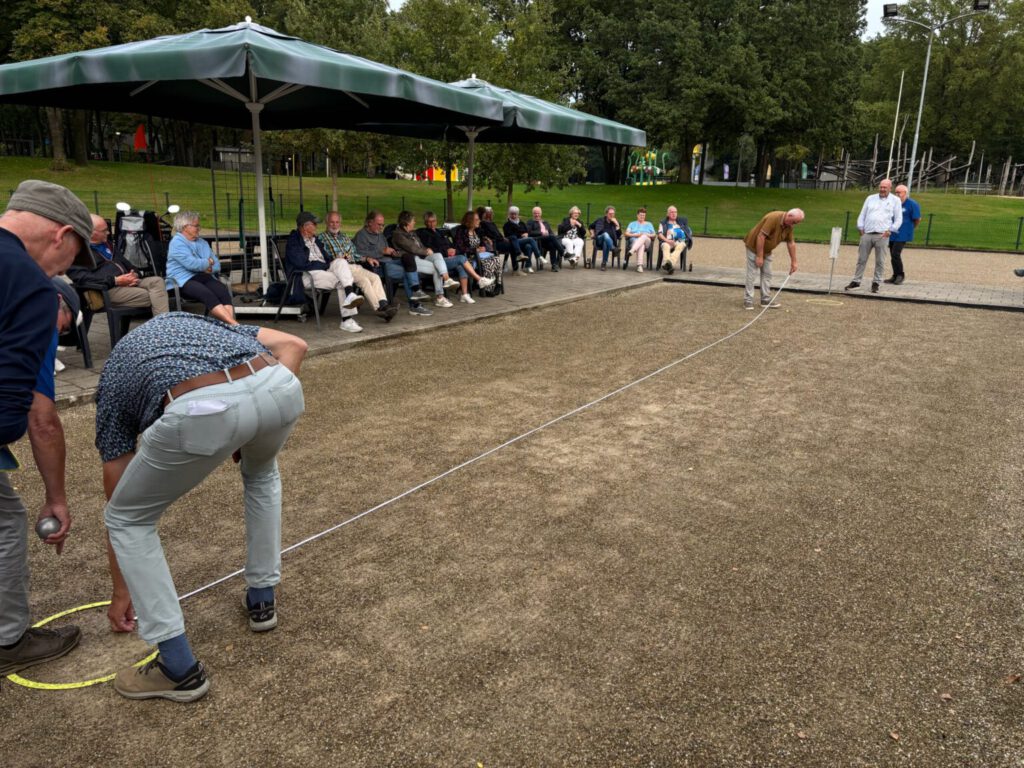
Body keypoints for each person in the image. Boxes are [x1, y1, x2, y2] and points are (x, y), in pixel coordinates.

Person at [98, 313, 308, 702]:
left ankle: (177, 668)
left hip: (204, 407)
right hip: (279, 386)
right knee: (261, 475)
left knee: (127, 519)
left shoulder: (114, 375)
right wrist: (254, 426)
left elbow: (117, 482)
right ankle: (262, 601)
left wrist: (122, 587)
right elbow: (295, 346)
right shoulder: (199, 323)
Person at [0, 179, 93, 675]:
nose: (61, 272)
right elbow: (39, 418)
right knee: (6, 522)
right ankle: (8, 639)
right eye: (69, 259)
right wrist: (56, 498)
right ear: (61, 235)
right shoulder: (30, 286)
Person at [68, 214, 170, 315]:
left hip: (128, 283)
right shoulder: (78, 251)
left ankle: (162, 323)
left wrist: (134, 274)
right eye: (104, 230)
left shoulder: (108, 245)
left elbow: (128, 264)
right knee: (154, 296)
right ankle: (163, 323)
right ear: (91, 232)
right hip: (106, 289)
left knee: (157, 281)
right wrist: (115, 281)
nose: (108, 232)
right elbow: (81, 278)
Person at [285, 212, 366, 333]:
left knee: (341, 262)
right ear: (305, 226)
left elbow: (327, 258)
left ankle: (350, 294)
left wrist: (334, 261)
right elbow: (301, 264)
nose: (316, 226)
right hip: (306, 274)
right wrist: (324, 265)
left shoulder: (315, 239)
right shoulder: (294, 241)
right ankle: (347, 320)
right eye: (314, 224)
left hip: (322, 270)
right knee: (341, 281)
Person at [317, 211, 398, 322]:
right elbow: (323, 257)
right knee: (364, 281)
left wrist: (367, 258)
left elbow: (355, 254)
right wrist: (336, 258)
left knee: (375, 277)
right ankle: (379, 309)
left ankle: (384, 305)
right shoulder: (321, 238)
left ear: (340, 223)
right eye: (332, 222)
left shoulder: (344, 237)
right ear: (327, 223)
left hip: (354, 266)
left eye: (337, 222)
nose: (334, 225)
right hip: (340, 269)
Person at [353, 210, 432, 317]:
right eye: (379, 224)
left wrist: (393, 252)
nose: (381, 227)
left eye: (383, 225)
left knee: (408, 258)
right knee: (407, 273)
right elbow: (359, 254)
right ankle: (415, 305)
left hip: (389, 261)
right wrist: (381, 251)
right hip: (379, 266)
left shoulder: (380, 235)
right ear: (370, 222)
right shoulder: (361, 235)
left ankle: (416, 291)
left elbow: (386, 250)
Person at [166, 210, 236, 324]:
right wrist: (208, 262)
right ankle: (234, 324)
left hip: (203, 277)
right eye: (196, 226)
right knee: (206, 293)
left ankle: (229, 325)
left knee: (223, 291)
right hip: (182, 280)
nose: (199, 228)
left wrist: (207, 266)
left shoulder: (202, 242)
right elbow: (191, 265)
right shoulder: (176, 243)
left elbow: (217, 265)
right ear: (185, 227)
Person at [418, 211, 495, 303]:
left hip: (448, 257)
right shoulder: (423, 233)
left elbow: (450, 244)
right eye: (429, 222)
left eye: (433, 221)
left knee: (461, 265)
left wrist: (452, 250)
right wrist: (446, 252)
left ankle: (464, 295)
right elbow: (430, 250)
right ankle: (479, 279)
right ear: (425, 222)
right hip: (439, 260)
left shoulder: (439, 232)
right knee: (461, 258)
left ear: (436, 221)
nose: (431, 224)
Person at [391, 211, 459, 308]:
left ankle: (447, 279)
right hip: (411, 260)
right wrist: (426, 251)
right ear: (407, 222)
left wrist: (427, 249)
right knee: (437, 268)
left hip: (421, 256)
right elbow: (412, 248)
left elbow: (420, 246)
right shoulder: (398, 234)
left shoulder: (412, 233)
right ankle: (440, 297)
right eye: (413, 221)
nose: (415, 222)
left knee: (438, 255)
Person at [847, 178, 902, 294]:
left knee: (880, 261)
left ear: (890, 188)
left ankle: (876, 283)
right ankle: (856, 281)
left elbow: (898, 219)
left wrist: (890, 230)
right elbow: (863, 214)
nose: (882, 189)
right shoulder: (870, 198)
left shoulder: (895, 200)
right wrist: (860, 227)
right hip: (867, 233)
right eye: (881, 187)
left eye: (885, 187)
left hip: (882, 234)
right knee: (861, 259)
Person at [742, 208, 803, 310]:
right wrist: (759, 256)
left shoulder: (789, 225)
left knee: (767, 274)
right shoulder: (773, 218)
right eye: (794, 222)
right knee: (752, 274)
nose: (794, 225)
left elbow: (791, 243)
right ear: (789, 216)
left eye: (796, 223)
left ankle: (765, 300)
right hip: (753, 246)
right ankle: (748, 300)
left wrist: (794, 261)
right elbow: (761, 236)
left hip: (767, 250)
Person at [884, 184, 920, 285]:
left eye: (899, 192)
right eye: (896, 192)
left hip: (903, 233)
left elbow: (917, 219)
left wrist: (910, 228)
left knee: (896, 253)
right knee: (892, 254)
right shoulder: (893, 203)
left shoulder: (912, 204)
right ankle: (895, 275)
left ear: (905, 193)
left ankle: (900, 275)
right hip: (892, 232)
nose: (897, 194)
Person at [477, 206, 516, 271]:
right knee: (513, 246)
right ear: (488, 214)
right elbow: (491, 235)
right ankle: (514, 268)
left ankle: (510, 265)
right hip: (495, 243)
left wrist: (503, 238)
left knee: (513, 239)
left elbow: (498, 233)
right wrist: (501, 239)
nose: (493, 214)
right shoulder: (483, 224)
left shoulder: (492, 223)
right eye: (491, 213)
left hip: (500, 241)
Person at [503, 206, 541, 273]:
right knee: (530, 239)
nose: (514, 216)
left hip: (522, 241)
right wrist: (521, 234)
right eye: (512, 214)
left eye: (515, 214)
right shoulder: (506, 225)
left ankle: (528, 266)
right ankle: (538, 256)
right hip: (513, 242)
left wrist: (526, 234)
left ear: (518, 214)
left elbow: (526, 231)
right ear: (509, 214)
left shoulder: (522, 223)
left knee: (528, 246)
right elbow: (508, 235)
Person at [526, 206, 564, 271]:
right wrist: (541, 233)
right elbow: (529, 232)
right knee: (552, 237)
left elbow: (551, 233)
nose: (537, 215)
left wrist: (549, 234)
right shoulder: (530, 222)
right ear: (533, 214)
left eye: (538, 213)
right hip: (537, 241)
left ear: (541, 213)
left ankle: (554, 265)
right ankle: (563, 252)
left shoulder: (545, 222)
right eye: (535, 213)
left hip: (546, 242)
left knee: (552, 244)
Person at [658, 206, 692, 275]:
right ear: (668, 214)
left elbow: (688, 232)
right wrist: (667, 240)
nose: (674, 214)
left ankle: (668, 264)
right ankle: (670, 265)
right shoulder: (663, 223)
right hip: (667, 241)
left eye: (675, 212)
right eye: (672, 212)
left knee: (682, 245)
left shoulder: (681, 223)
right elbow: (659, 234)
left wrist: (683, 235)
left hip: (679, 241)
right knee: (665, 246)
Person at [624, 208, 656, 272]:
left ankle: (632, 251)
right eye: (641, 215)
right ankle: (639, 266)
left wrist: (647, 234)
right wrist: (636, 235)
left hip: (647, 241)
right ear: (637, 215)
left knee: (644, 236)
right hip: (634, 241)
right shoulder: (632, 224)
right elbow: (626, 233)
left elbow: (654, 234)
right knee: (641, 245)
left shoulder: (649, 224)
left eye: (643, 215)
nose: (642, 217)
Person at [591, 206, 621, 271]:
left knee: (606, 242)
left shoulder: (616, 222)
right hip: (599, 240)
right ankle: (613, 248)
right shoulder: (600, 220)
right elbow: (590, 227)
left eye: (613, 214)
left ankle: (603, 263)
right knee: (605, 234)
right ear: (606, 214)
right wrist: (592, 233)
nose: (612, 215)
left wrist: (617, 224)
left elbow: (619, 236)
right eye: (610, 214)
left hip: (609, 242)